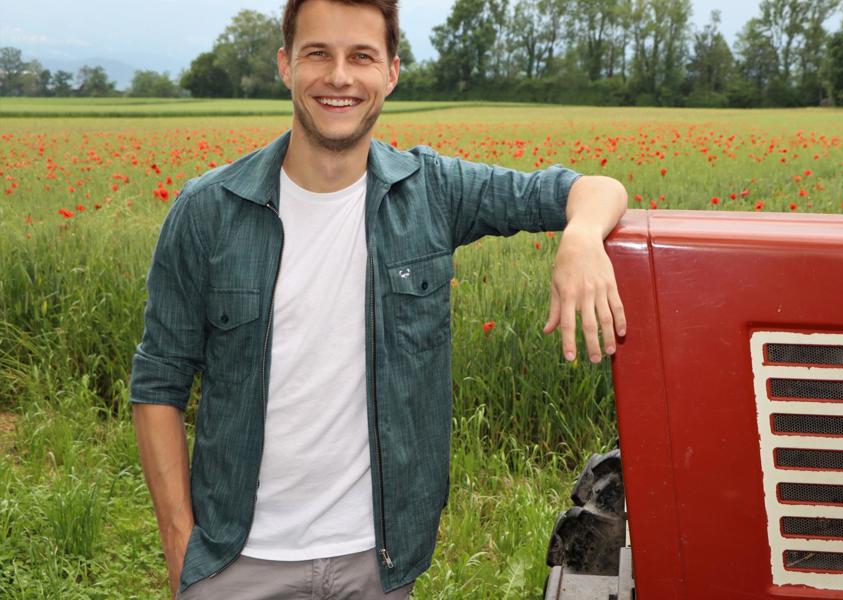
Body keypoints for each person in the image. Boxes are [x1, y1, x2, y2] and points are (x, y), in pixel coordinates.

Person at [129, 0, 628, 598]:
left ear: (390, 72)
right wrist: (180, 543)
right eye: (318, 53)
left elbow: (594, 188)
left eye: (361, 56)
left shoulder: (432, 192)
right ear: (286, 65)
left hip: (377, 563)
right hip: (237, 561)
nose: (339, 77)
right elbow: (159, 380)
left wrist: (579, 235)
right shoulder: (209, 210)